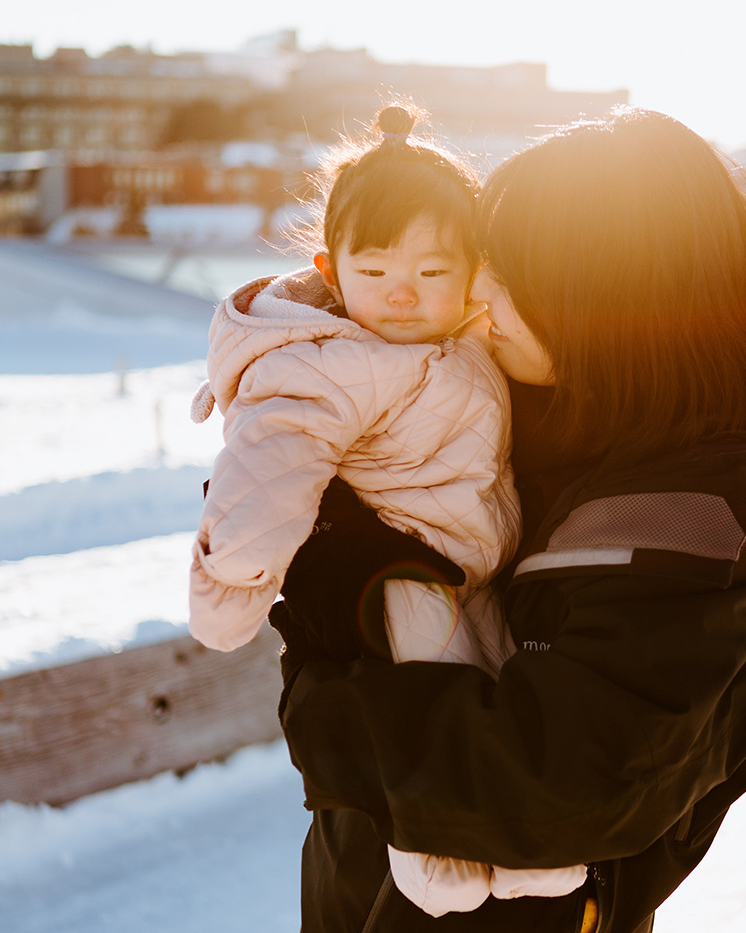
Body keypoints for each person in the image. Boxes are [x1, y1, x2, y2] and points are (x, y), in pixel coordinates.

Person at [270, 107, 746, 932]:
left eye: (513, 273)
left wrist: (325, 707)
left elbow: (559, 776)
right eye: (485, 258)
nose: (478, 291)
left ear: (608, 299)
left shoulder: (703, 509)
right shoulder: (525, 406)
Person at [185, 104, 586, 917]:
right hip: (400, 575)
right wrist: (232, 580)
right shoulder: (326, 365)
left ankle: (531, 845)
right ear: (333, 271)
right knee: (432, 709)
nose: (403, 295)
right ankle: (434, 849)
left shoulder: (472, 335)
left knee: (507, 690)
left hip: (477, 567)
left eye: (432, 273)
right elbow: (270, 465)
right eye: (375, 271)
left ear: (471, 272)